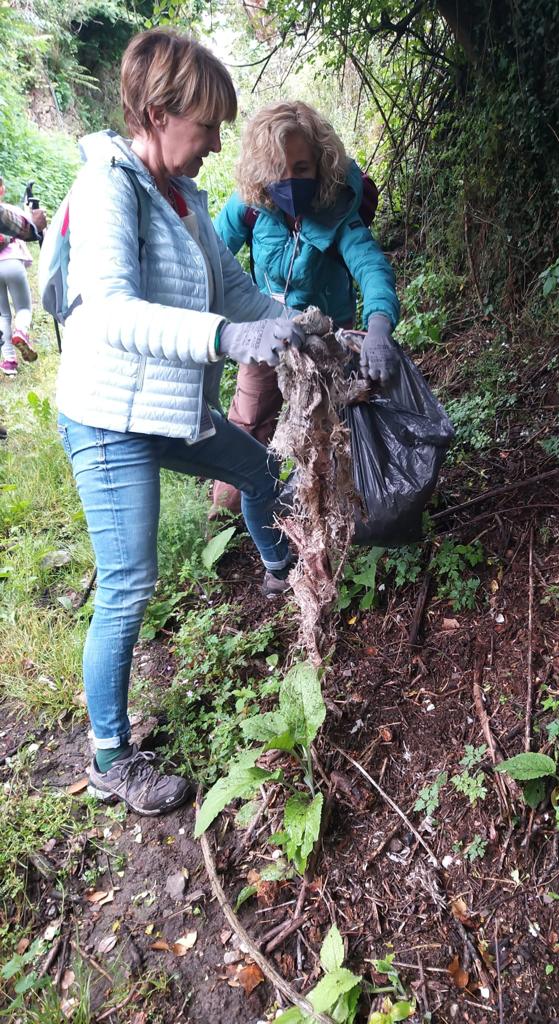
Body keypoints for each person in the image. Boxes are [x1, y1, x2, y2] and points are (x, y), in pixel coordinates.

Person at [56, 28, 309, 816]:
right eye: (208, 126)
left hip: (163, 403)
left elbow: (237, 294)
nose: (216, 142)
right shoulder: (109, 186)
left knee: (258, 469)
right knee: (130, 584)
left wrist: (302, 322)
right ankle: (109, 758)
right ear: (161, 113)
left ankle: (282, 574)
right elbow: (114, 312)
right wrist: (228, 340)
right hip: (105, 417)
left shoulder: (184, 198)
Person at [210, 100, 400, 515]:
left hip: (325, 342)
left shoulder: (337, 212)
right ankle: (226, 516)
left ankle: (328, 515)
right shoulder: (248, 207)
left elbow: (371, 267)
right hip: (266, 330)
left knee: (327, 432)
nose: (290, 181)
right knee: (248, 421)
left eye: (301, 169)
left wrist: (380, 325)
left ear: (319, 165)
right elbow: (210, 257)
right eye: (279, 171)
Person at [0, 176, 38, 375]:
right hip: (13, 264)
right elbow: (31, 228)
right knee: (23, 308)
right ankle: (21, 331)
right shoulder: (9, 212)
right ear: (2, 190)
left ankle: (9, 362)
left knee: (3, 314)